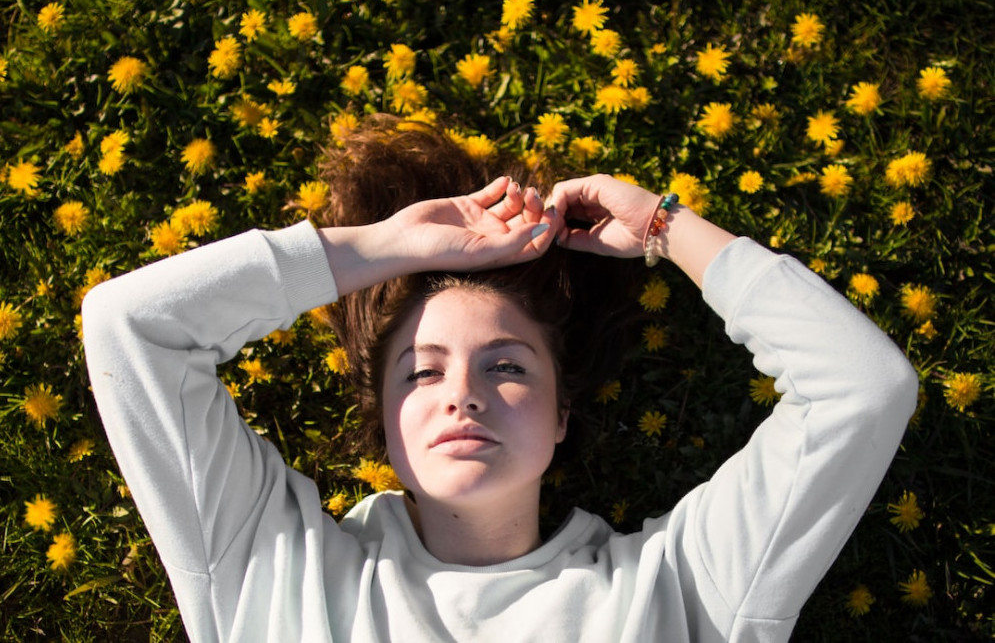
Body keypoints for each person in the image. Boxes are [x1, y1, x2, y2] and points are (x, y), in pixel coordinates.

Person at [82, 115, 918, 642]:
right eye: (420, 372)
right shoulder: (271, 566)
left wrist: (667, 225)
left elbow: (861, 388)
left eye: (507, 366)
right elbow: (133, 327)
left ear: (561, 414)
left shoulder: (681, 587)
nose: (462, 394)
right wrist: (386, 247)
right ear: (381, 419)